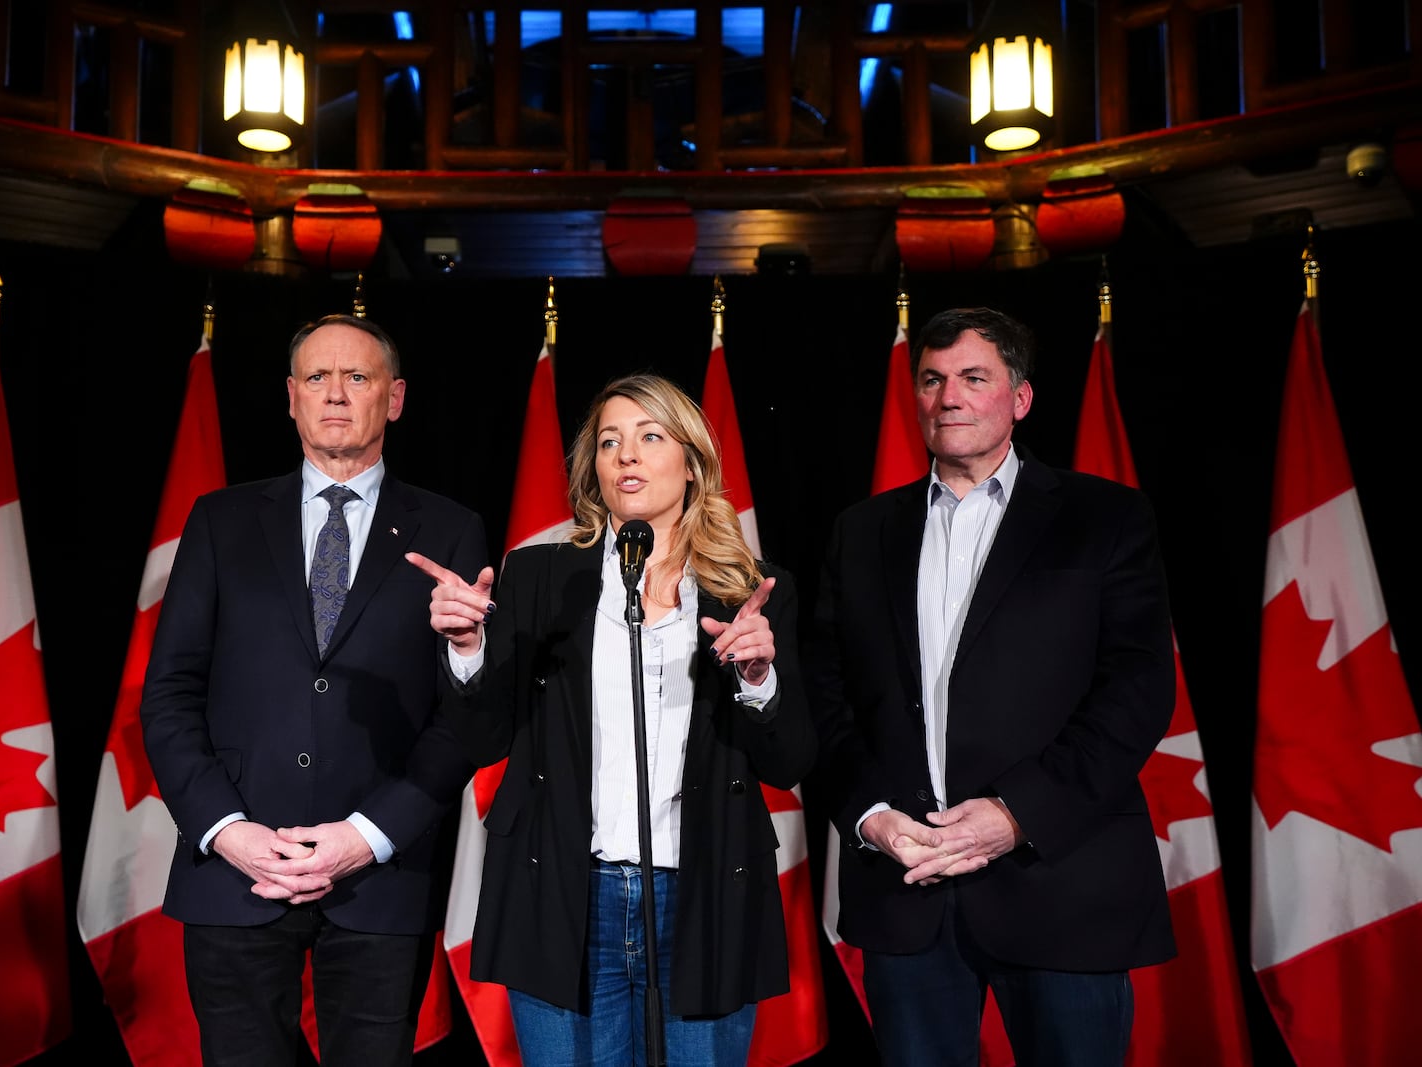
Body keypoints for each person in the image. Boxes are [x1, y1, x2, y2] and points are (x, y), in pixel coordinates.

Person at [406, 372, 816, 1067]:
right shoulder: (537, 579)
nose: (626, 455)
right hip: (565, 893)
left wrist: (758, 678)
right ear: (592, 467)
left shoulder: (750, 590)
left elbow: (790, 760)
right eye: (609, 441)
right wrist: (468, 649)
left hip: (705, 896)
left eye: (650, 436)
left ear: (691, 461)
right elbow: (482, 739)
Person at [809, 306, 1177, 1067]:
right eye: (934, 379)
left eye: (974, 378)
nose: (950, 397)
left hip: (1061, 883)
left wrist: (1017, 815)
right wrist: (871, 814)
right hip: (905, 890)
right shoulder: (861, 531)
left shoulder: (1104, 518)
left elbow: (1137, 690)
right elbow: (825, 692)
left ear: (1020, 397)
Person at [140, 313, 490, 1067]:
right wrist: (228, 830)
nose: (337, 394)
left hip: (380, 877)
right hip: (235, 871)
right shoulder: (220, 521)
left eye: (357, 377)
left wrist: (364, 836)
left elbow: (462, 719)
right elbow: (169, 694)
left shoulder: (452, 530)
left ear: (393, 399)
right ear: (291, 397)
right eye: (319, 378)